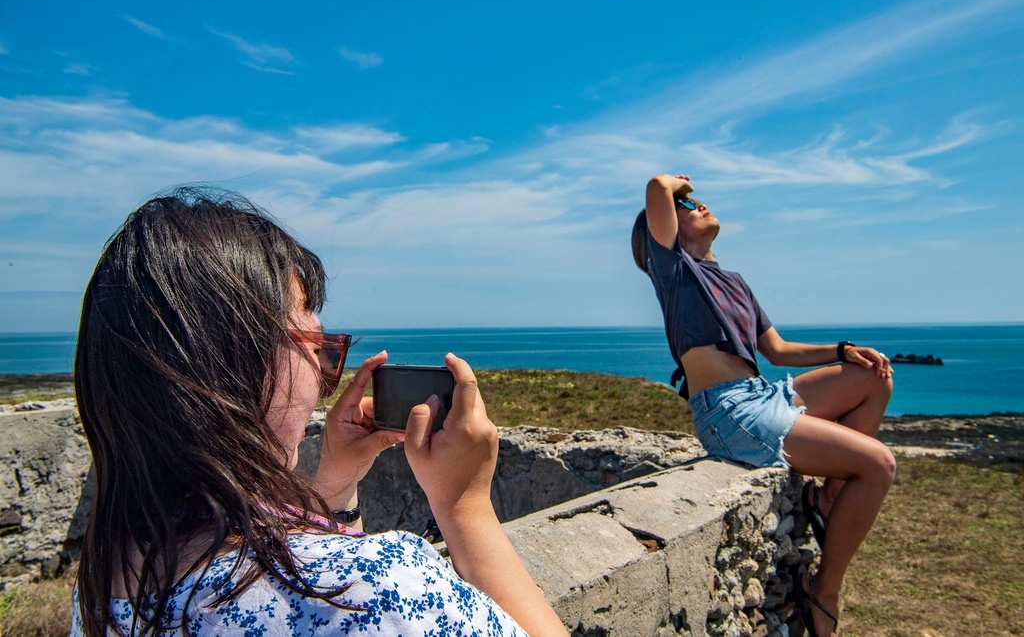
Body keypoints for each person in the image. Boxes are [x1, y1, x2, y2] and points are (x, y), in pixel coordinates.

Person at [71, 188, 569, 636]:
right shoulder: (381, 590)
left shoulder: (105, 584)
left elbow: (288, 557)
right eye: (320, 350)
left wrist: (337, 483)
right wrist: (465, 504)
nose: (324, 380)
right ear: (240, 361)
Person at [631, 174, 896, 637]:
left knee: (872, 379)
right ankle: (825, 586)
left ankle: (827, 496)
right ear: (668, 228)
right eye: (689, 207)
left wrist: (842, 351)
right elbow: (656, 187)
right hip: (730, 413)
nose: (700, 206)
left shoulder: (733, 280)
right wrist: (676, 186)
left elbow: (777, 350)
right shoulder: (673, 271)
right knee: (878, 464)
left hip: (763, 395)